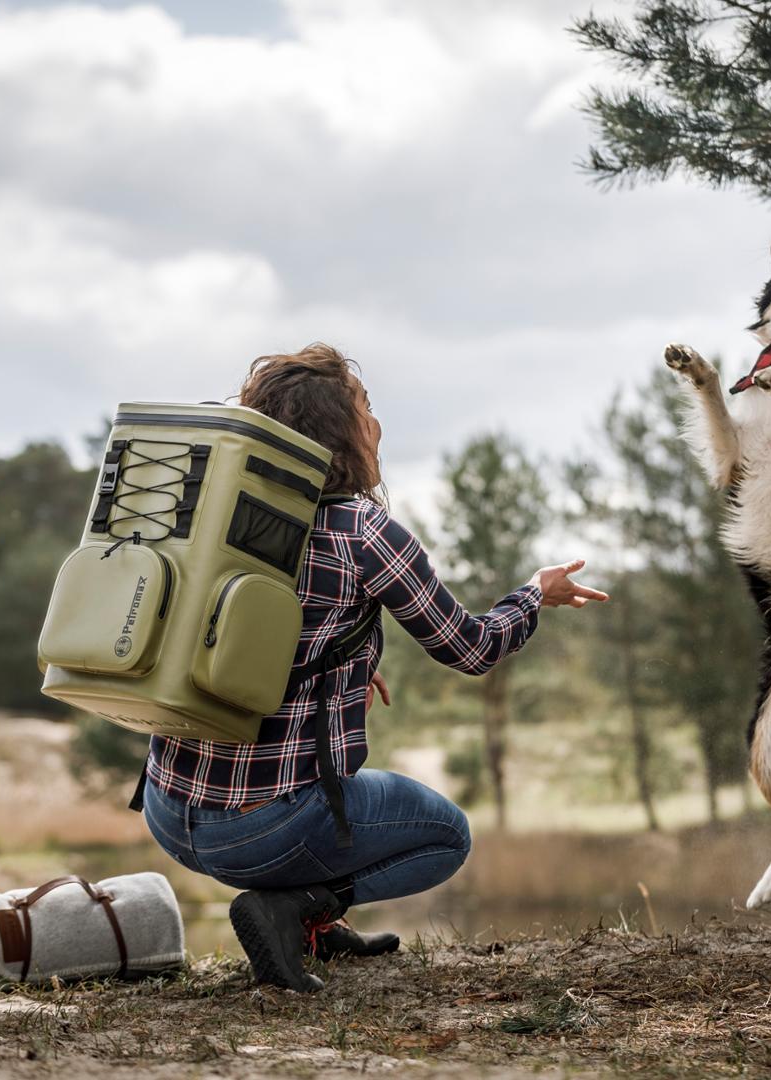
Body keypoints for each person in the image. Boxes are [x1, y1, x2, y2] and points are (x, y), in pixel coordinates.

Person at [140, 343, 608, 992]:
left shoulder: (215, 512)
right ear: (339, 433)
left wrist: (342, 667)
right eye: (366, 408)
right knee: (446, 836)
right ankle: (296, 907)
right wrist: (534, 593)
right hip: (259, 829)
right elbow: (469, 649)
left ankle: (312, 929)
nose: (377, 425)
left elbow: (246, 631)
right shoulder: (360, 530)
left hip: (168, 809)